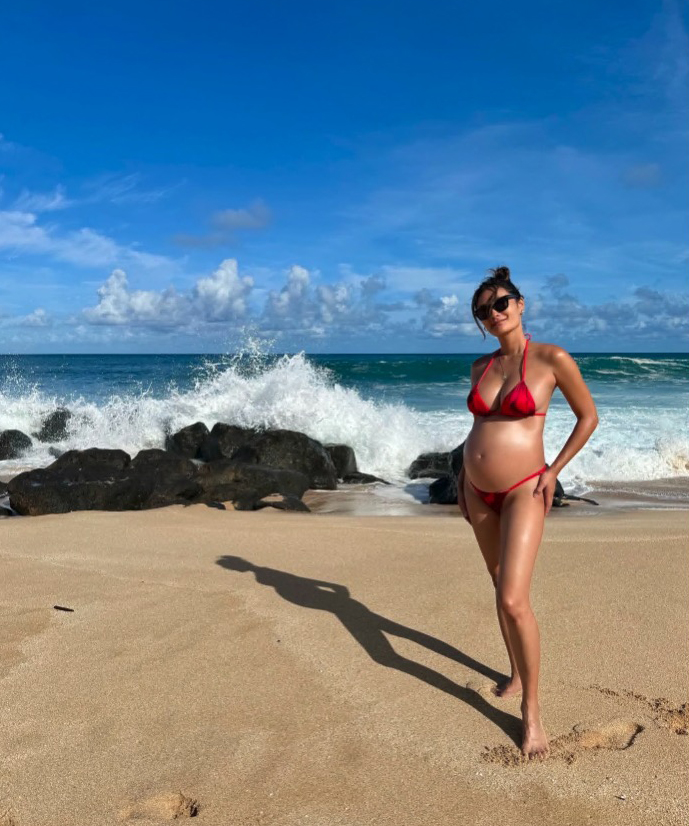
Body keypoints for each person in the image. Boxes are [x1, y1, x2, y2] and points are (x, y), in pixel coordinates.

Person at [457, 266, 598, 760]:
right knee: (498, 585)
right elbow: (477, 432)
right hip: (476, 491)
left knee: (515, 599)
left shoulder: (550, 358)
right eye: (482, 311)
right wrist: (461, 481)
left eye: (499, 304)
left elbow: (588, 416)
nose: (492, 314)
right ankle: (516, 671)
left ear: (520, 304)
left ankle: (532, 711)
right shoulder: (480, 367)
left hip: (524, 487)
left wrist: (554, 469)